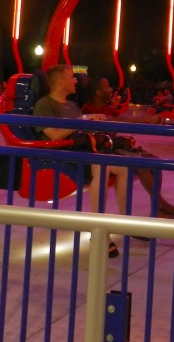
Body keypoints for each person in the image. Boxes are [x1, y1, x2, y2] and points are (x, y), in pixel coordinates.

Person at [33, 65, 130, 258]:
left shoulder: (72, 105)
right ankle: (98, 229)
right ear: (60, 82)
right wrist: (81, 120)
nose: (76, 81)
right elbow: (53, 135)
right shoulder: (44, 105)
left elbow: (80, 128)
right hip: (61, 154)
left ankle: (126, 221)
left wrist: (93, 123)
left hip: (82, 150)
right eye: (72, 77)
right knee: (101, 167)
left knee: (123, 166)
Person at [81, 76, 174, 217]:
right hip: (105, 150)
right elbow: (114, 121)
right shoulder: (89, 108)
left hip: (116, 147)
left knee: (155, 162)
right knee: (141, 164)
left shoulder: (105, 107)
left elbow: (125, 119)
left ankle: (157, 206)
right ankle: (161, 204)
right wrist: (148, 119)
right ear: (98, 92)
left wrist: (149, 119)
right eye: (107, 87)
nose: (111, 90)